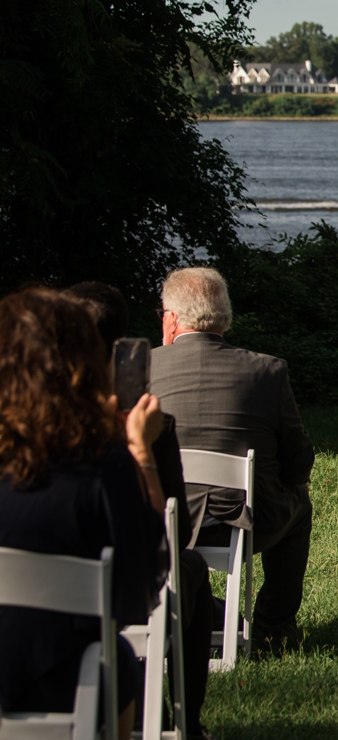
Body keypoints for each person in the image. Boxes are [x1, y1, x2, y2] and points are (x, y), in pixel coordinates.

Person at [0, 287, 167, 740]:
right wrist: (139, 451)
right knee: (120, 661)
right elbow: (139, 596)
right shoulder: (101, 465)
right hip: (68, 686)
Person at [66, 280, 216, 739]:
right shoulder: (148, 430)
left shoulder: (27, 433)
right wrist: (142, 450)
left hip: (34, 599)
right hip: (121, 590)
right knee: (190, 565)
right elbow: (173, 531)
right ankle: (185, 720)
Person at [149, 267, 315, 653]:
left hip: (158, 522)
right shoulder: (267, 371)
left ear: (171, 318)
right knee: (299, 507)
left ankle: (210, 613)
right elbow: (298, 460)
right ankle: (272, 627)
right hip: (244, 518)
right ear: (224, 315)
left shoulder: (140, 369)